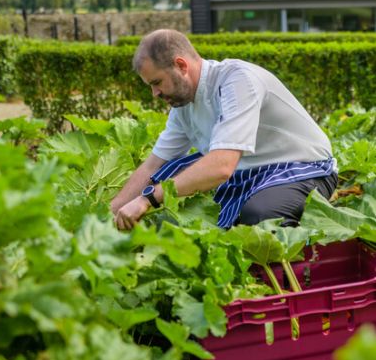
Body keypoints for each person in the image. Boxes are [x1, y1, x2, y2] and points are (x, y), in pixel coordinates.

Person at [111, 29, 337, 231]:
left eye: (157, 82)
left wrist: (146, 199)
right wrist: (108, 214)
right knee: (164, 175)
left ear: (181, 66)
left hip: (303, 169)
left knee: (258, 218)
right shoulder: (182, 105)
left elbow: (221, 166)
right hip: (247, 173)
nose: (155, 93)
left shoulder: (238, 80)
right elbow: (153, 164)